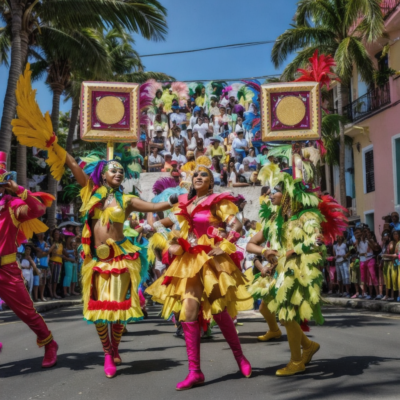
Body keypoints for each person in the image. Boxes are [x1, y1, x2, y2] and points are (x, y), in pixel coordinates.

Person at [146, 165, 253, 390]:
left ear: (211, 182)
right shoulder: (186, 202)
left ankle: (240, 358)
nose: (198, 176)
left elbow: (237, 225)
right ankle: (195, 371)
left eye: (204, 174)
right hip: (190, 260)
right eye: (195, 174)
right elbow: (169, 223)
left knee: (219, 309)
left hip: (212, 259)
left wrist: (224, 244)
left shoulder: (218, 201)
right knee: (189, 311)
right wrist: (172, 239)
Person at [246, 164, 346, 376]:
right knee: (268, 309)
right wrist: (265, 252)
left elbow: (317, 243)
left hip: (297, 270)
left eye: (275, 190)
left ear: (288, 194)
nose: (270, 194)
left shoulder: (306, 217)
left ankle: (296, 361)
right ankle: (308, 346)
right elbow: (250, 244)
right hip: (277, 271)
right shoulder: (273, 220)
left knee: (287, 315)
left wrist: (292, 251)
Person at [0, 151, 58, 367]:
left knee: (27, 313)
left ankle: (49, 343)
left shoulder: (12, 206)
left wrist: (19, 190)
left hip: (6, 270)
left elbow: (38, 208)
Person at [356, 228, 380, 299]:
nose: (363, 235)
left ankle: (378, 293)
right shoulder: (359, 242)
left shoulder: (369, 241)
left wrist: (370, 243)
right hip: (362, 260)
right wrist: (363, 254)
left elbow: (376, 248)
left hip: (370, 258)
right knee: (364, 278)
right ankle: (365, 293)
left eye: (364, 233)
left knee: (373, 276)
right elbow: (359, 252)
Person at [34, 233, 55, 301]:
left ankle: (42, 296)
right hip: (38, 264)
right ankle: (37, 297)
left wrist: (46, 252)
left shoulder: (46, 243)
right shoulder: (36, 243)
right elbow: (39, 253)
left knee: (43, 281)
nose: (42, 235)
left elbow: (46, 251)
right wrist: (47, 251)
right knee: (38, 281)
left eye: (43, 234)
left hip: (45, 264)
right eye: (40, 234)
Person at [381, 230, 399, 301]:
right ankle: (387, 295)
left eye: (386, 235)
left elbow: (392, 251)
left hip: (391, 262)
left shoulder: (393, 243)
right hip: (385, 262)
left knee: (392, 279)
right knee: (387, 279)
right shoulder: (386, 244)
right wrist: (384, 243)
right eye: (384, 235)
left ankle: (391, 295)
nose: (385, 237)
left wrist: (386, 255)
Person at [49, 228, 63, 299]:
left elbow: (62, 253)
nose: (57, 235)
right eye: (56, 234)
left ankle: (54, 293)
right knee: (52, 278)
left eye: (58, 233)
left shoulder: (61, 242)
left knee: (56, 279)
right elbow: (50, 252)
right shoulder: (52, 242)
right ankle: (52, 294)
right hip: (53, 261)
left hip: (59, 262)